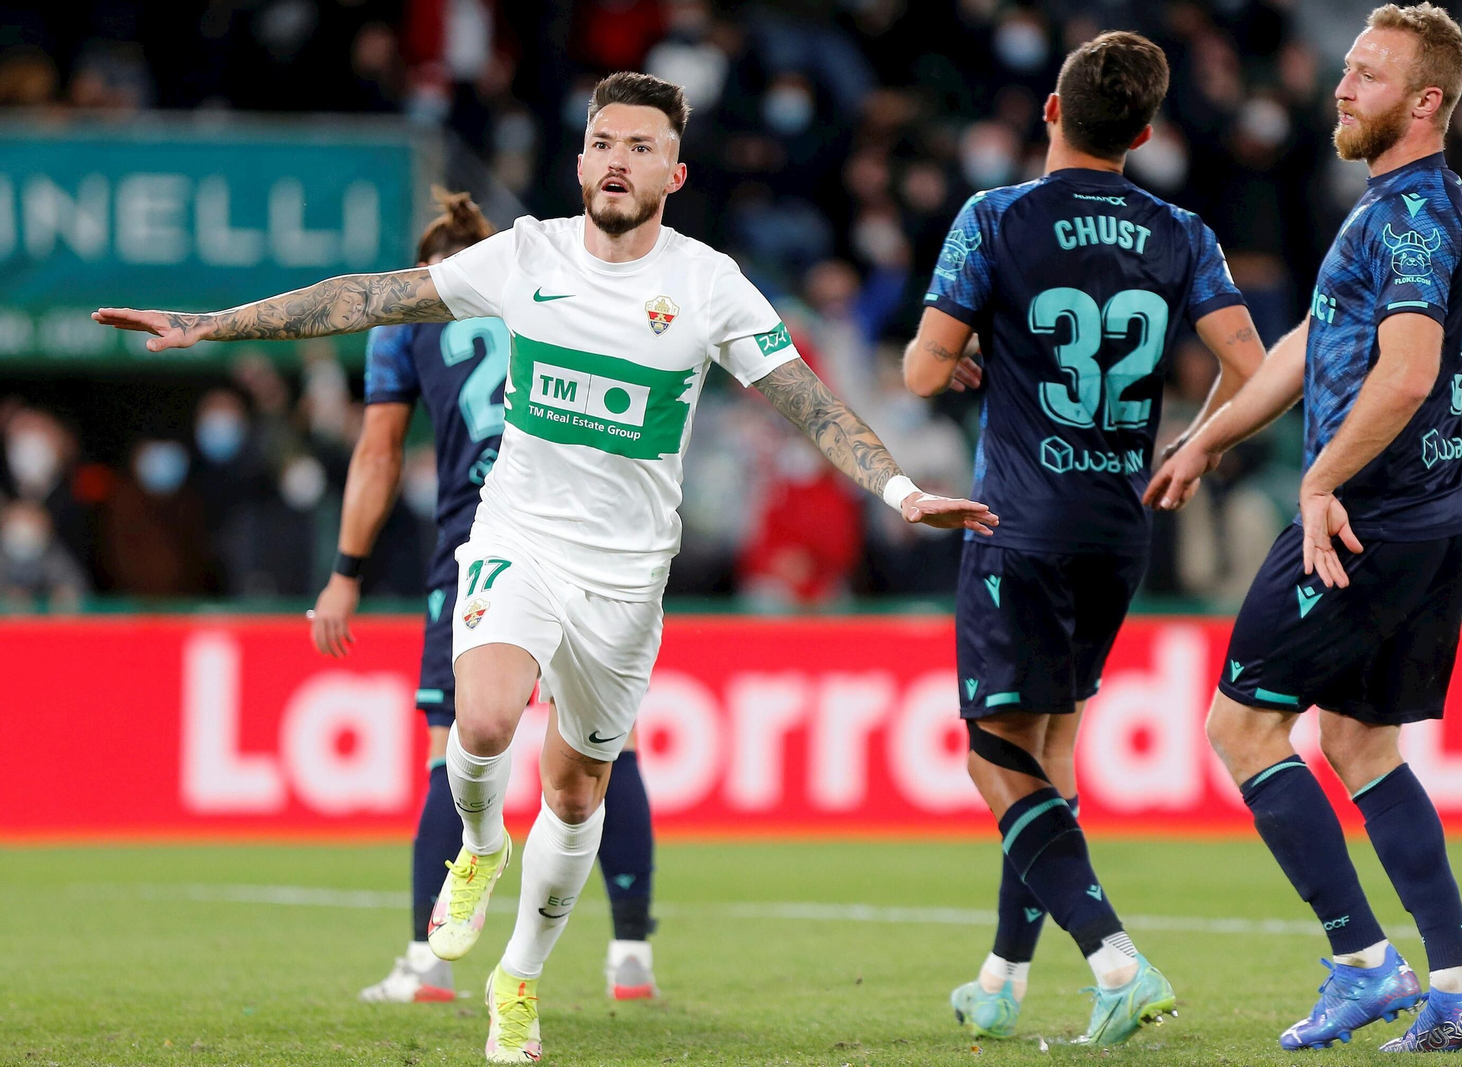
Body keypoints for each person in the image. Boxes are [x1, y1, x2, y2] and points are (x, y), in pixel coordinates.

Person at [93, 71, 995, 1064]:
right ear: (578, 162)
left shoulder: (708, 285)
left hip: (626, 577)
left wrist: (903, 494)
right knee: (479, 721)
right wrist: (209, 325)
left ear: (675, 172)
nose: (619, 157)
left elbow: (808, 403)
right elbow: (365, 297)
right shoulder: (524, 256)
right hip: (517, 535)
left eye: (642, 145)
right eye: (604, 139)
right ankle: (481, 845)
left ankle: (515, 975)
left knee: (574, 794)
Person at [1148, 3, 1462, 1052]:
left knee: (1239, 725)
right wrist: (1211, 435)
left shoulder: (1406, 218)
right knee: (1357, 742)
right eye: (1347, 67)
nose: (1342, 87)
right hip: (1426, 515)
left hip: (1367, 520)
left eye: (1368, 74)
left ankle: (1363, 962)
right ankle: (1460, 981)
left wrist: (1315, 484)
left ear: (1425, 99)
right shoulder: (1413, 204)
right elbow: (1317, 339)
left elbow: (1400, 373)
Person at [905, 31, 1266, 1047]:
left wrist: (969, 340)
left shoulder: (995, 217)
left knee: (991, 755)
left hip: (1016, 522)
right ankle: (1002, 978)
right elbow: (1252, 363)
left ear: (1050, 111)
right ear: (1143, 134)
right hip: (1116, 525)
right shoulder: (1179, 229)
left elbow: (922, 375)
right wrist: (1192, 446)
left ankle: (1115, 959)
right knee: (1050, 754)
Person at [305, 188, 664, 1005]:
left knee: (456, 737)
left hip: (486, 537)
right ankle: (632, 954)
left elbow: (379, 452)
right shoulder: (546, 281)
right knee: (608, 743)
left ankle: (427, 961)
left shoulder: (414, 312)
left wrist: (346, 569)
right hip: (592, 532)